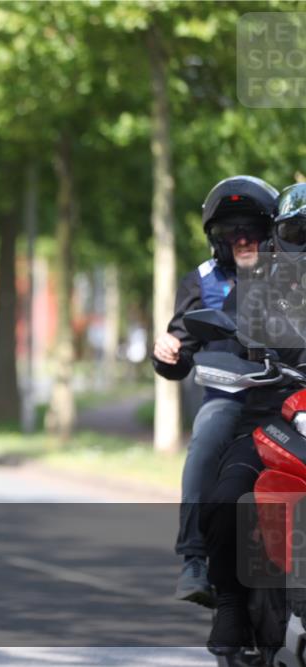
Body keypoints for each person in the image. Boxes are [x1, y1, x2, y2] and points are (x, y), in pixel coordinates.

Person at [152, 175, 278, 608]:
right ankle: (193, 559)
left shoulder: (292, 278)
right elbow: (179, 354)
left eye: (253, 231)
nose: (243, 240)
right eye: (231, 232)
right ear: (216, 240)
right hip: (230, 398)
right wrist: (167, 354)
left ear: (272, 233)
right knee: (206, 436)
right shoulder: (201, 280)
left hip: (286, 398)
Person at [198, 182, 305, 656]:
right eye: (300, 231)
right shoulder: (258, 289)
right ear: (280, 237)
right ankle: (231, 605)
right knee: (226, 498)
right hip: (269, 422)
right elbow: (223, 338)